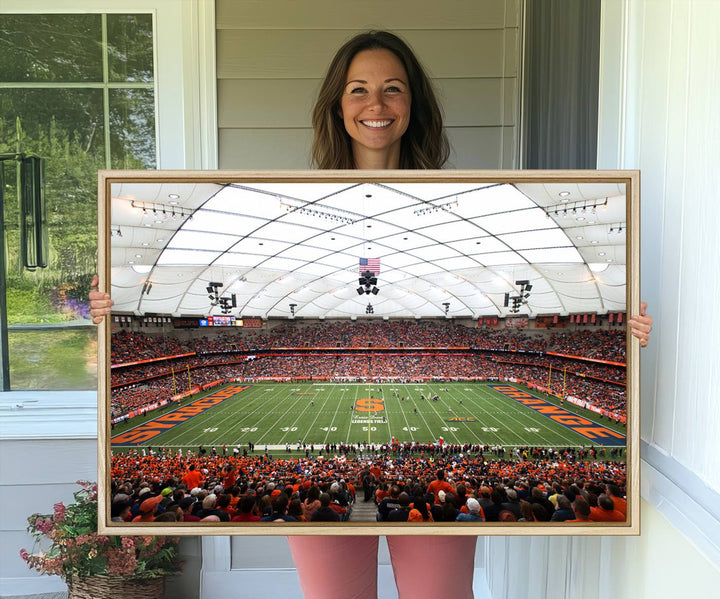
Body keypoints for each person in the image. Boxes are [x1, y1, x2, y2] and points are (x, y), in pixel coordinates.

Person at [90, 29, 653, 599]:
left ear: (413, 105)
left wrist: (618, 328)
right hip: (336, 488)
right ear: (338, 104)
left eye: (393, 89)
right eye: (358, 89)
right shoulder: (289, 209)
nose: (375, 105)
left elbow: (517, 292)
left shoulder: (461, 208)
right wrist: (112, 312)